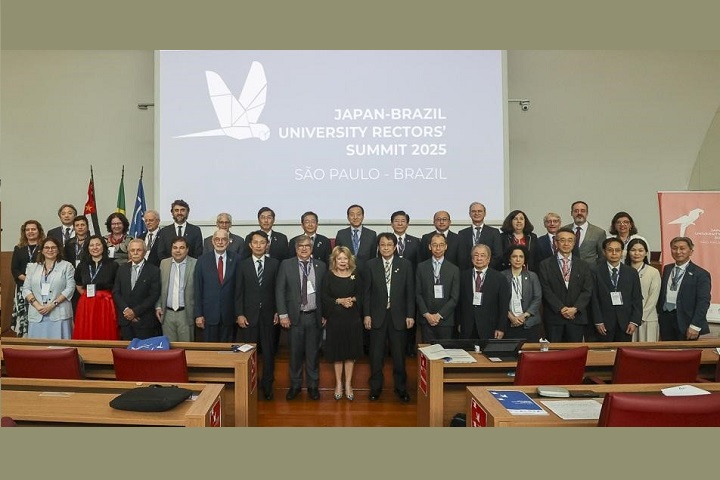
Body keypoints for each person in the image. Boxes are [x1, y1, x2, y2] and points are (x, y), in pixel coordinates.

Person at [363, 234, 415, 403]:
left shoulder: (405, 264)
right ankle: (375, 388)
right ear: (378, 247)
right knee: (376, 355)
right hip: (377, 316)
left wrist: (410, 314)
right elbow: (367, 292)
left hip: (398, 316)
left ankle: (401, 389)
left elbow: (410, 292)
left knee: (399, 356)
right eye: (382, 245)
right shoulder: (371, 265)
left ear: (395, 247)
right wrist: (367, 314)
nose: (386, 247)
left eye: (389, 244)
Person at [276, 235, 326, 401]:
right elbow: (280, 291)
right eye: (300, 246)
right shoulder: (286, 264)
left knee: (313, 354)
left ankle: (313, 386)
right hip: (294, 317)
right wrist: (283, 314)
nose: (304, 249)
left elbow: (325, 293)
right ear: (296, 248)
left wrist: (324, 314)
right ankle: (295, 386)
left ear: (312, 248)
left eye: (307, 246)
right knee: (295, 355)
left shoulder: (321, 266)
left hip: (314, 317)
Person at [235, 230, 280, 400]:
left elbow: (278, 290)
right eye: (256, 242)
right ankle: (249, 387)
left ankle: (268, 387)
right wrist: (239, 314)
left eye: (262, 242)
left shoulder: (275, 264)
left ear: (267, 244)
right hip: (248, 316)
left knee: (269, 354)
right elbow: (238, 292)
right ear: (250, 245)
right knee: (249, 354)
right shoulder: (242, 264)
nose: (259, 245)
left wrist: (278, 310)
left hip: (269, 316)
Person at [537, 227, 594, 342]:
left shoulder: (583, 265)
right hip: (554, 318)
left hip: (576, 317)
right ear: (555, 243)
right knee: (554, 355)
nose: (566, 243)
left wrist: (575, 308)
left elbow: (587, 290)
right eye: (562, 240)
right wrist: (561, 308)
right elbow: (545, 289)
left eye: (570, 240)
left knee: (575, 355)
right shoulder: (545, 264)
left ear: (574, 243)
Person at [322, 246, 364, 401]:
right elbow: (324, 297)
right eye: (339, 258)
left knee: (350, 354)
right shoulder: (328, 275)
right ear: (334, 260)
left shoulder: (355, 274)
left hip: (352, 319)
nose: (342, 261)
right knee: (338, 354)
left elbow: (362, 293)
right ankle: (338, 384)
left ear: (349, 260)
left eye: (345, 258)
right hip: (335, 319)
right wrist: (339, 301)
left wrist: (351, 300)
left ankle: (348, 384)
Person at [656, 236, 711, 341]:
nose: (678, 251)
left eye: (682, 248)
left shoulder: (701, 274)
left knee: (685, 355)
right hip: (666, 320)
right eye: (674, 248)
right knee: (666, 354)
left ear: (691, 251)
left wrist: (695, 325)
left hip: (687, 322)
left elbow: (703, 302)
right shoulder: (667, 269)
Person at [22, 237, 76, 339]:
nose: (50, 250)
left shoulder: (67, 266)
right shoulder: (33, 267)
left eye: (53, 247)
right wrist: (37, 305)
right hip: (37, 313)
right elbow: (26, 289)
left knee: (59, 349)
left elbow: (70, 288)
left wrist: (53, 305)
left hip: (59, 314)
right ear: (41, 250)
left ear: (58, 250)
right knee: (37, 351)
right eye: (46, 248)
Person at [590, 237, 643, 342]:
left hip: (626, 323)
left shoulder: (631, 272)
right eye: (610, 250)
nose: (614, 253)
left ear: (622, 252)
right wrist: (598, 321)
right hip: (603, 324)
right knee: (604, 355)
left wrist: (634, 321)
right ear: (604, 252)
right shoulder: (595, 272)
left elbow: (637, 298)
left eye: (617, 250)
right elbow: (593, 299)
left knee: (624, 354)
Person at [194, 229, 239, 342]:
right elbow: (198, 289)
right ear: (212, 242)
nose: (220, 242)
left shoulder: (236, 259)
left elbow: (239, 289)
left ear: (228, 242)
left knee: (227, 352)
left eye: (224, 239)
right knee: (210, 352)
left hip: (229, 315)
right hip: (209, 315)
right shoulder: (202, 260)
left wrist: (239, 314)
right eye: (217, 239)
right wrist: (198, 314)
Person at [458, 244, 510, 340]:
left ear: (488, 259)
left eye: (482, 255)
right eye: (476, 255)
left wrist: (501, 328)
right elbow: (459, 303)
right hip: (467, 327)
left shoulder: (499, 278)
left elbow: (503, 305)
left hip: (490, 328)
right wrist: (459, 323)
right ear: (472, 258)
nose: (479, 258)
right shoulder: (463, 276)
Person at [112, 239, 161, 340]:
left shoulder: (154, 270)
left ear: (145, 251)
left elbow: (154, 295)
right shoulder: (122, 269)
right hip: (125, 321)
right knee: (126, 354)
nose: (135, 253)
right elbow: (116, 292)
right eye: (132, 250)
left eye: (138, 250)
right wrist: (126, 310)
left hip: (144, 321)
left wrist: (135, 312)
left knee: (144, 354)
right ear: (129, 252)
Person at [72, 235, 120, 340]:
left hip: (105, 304)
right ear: (87, 248)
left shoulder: (113, 265)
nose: (95, 248)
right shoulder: (82, 265)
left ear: (103, 247)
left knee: (104, 332)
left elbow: (117, 287)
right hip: (86, 304)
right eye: (92, 245)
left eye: (98, 245)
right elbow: (78, 283)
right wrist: (88, 297)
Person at [415, 233, 460, 341]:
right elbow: (417, 293)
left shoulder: (454, 269)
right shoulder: (421, 267)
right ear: (430, 247)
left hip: (445, 320)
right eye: (435, 245)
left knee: (444, 355)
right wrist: (427, 315)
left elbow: (454, 298)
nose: (438, 248)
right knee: (427, 353)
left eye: (441, 245)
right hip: (426, 319)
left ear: (446, 246)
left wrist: (439, 315)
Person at [390, 210, 422, 357]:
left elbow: (419, 265)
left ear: (407, 224)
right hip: (391, 287)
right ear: (391, 224)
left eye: (403, 221)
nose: (400, 223)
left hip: (410, 286)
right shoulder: (386, 241)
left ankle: (409, 349)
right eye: (397, 220)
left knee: (409, 318)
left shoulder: (416, 241)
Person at [156, 236, 197, 342]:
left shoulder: (196, 264)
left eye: (181, 247)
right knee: (169, 349)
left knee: (187, 349)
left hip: (186, 314)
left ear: (187, 250)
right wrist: (158, 306)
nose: (178, 251)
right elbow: (159, 288)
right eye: (175, 247)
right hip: (167, 314)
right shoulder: (164, 263)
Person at [500, 245, 543, 343]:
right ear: (509, 259)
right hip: (509, 322)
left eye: (521, 256)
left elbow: (537, 298)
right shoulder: (501, 276)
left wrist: (524, 315)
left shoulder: (532, 276)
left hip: (529, 323)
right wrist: (510, 316)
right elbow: (498, 300)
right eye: (514, 256)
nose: (518, 259)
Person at [11, 220, 45, 337]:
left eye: (33, 229)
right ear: (24, 232)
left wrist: (34, 281)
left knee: (38, 312)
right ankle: (24, 337)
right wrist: (28, 280)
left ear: (39, 231)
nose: (30, 232)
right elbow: (14, 269)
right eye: (27, 230)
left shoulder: (45, 247)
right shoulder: (19, 248)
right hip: (22, 287)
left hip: (40, 286)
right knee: (24, 315)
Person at [625, 238, 661, 342]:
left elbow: (653, 298)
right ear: (628, 252)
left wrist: (637, 318)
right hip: (627, 320)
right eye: (633, 250)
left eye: (641, 250)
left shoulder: (653, 272)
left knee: (648, 353)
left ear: (646, 253)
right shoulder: (622, 271)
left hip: (647, 319)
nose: (637, 253)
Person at [457, 202, 502, 271]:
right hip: (468, 273)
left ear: (485, 213)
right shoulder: (462, 233)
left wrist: (483, 268)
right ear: (470, 214)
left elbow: (498, 255)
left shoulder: (494, 232)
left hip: (489, 272)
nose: (476, 213)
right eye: (474, 211)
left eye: (479, 211)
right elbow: (461, 257)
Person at [564, 200, 606, 266]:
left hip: (590, 272)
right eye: (576, 211)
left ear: (587, 213)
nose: (579, 213)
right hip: (568, 271)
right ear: (571, 213)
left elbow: (602, 256)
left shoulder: (599, 232)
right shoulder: (564, 230)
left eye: (582, 211)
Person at [334, 204, 378, 269]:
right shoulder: (341, 234)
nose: (355, 217)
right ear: (348, 217)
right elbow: (337, 256)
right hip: (346, 271)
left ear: (363, 216)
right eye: (352, 215)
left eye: (358, 214)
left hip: (366, 271)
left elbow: (373, 257)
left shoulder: (371, 234)